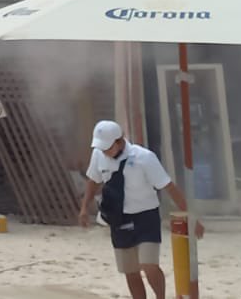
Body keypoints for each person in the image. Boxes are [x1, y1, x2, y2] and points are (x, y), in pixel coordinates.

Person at [78, 120, 201, 299]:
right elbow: (93, 180)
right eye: (102, 148)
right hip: (118, 217)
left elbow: (169, 187)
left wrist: (190, 217)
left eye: (108, 147)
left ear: (119, 141)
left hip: (145, 216)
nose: (104, 152)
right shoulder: (98, 155)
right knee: (131, 270)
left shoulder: (144, 157)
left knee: (148, 264)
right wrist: (84, 208)